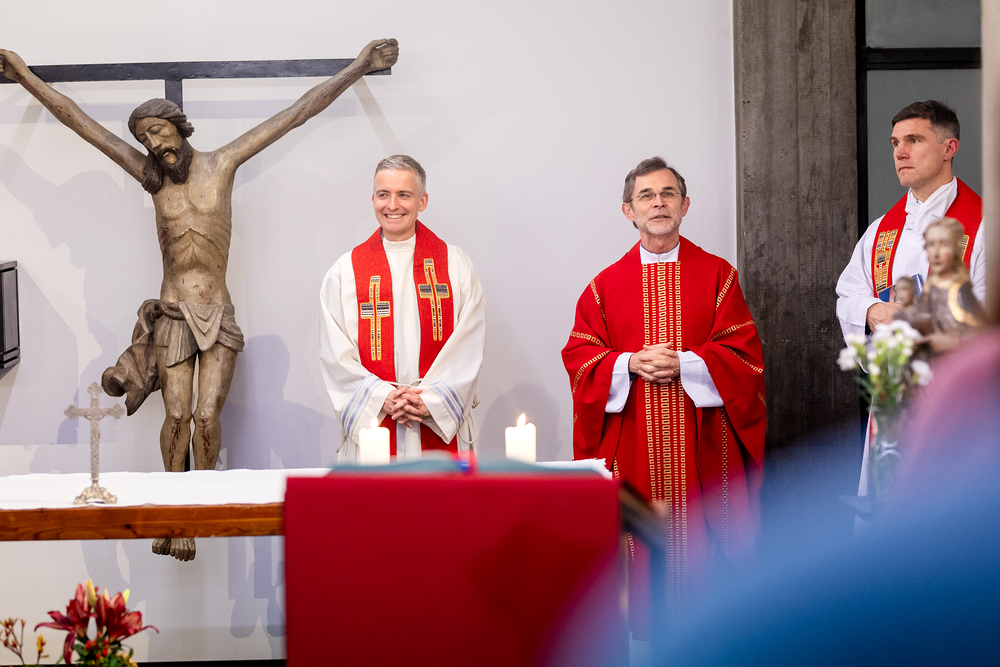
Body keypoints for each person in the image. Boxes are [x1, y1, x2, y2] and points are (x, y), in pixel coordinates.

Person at [0, 40, 398, 561]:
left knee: (207, 418)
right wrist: (25, 77)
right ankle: (173, 516)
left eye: (158, 131)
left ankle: (196, 513)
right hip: (172, 315)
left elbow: (296, 113)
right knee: (176, 417)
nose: (153, 143)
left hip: (218, 314)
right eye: (144, 138)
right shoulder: (152, 182)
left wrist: (359, 67)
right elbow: (81, 123)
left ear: (179, 126)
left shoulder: (223, 163)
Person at [561, 157, 766, 635]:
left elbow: (744, 356)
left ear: (685, 205)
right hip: (634, 442)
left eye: (668, 193)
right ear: (628, 210)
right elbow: (579, 356)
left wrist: (684, 364)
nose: (658, 203)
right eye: (647, 196)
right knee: (639, 572)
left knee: (705, 578)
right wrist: (628, 363)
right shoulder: (603, 286)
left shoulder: (718, 275)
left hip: (703, 443)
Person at [320, 155, 486, 460]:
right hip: (377, 422)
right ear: (373, 199)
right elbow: (334, 353)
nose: (392, 205)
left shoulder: (455, 265)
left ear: (422, 201)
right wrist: (381, 397)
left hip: (437, 426)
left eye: (404, 195)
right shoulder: (345, 272)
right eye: (383, 194)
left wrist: (431, 400)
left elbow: (469, 344)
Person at [836, 100, 985, 340]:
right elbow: (848, 295)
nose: (900, 153)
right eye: (895, 143)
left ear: (949, 149)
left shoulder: (987, 229)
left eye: (914, 141)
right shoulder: (879, 231)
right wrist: (870, 310)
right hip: (890, 363)